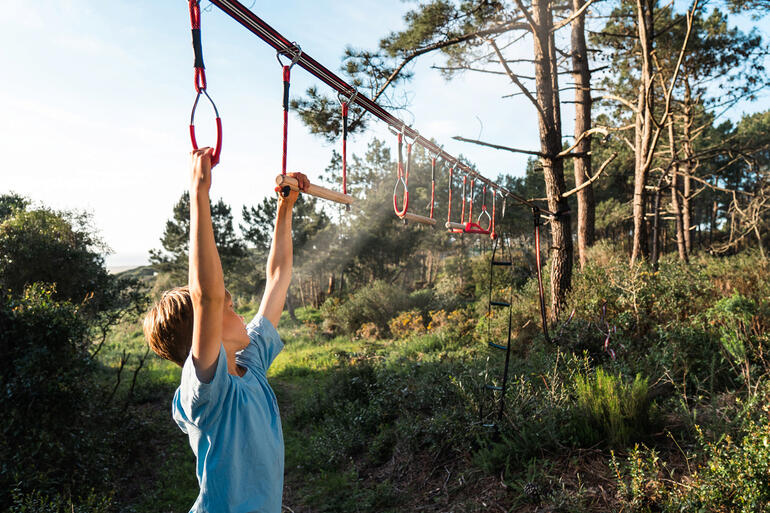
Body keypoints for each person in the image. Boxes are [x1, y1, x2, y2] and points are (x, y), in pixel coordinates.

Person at [143, 147, 309, 513]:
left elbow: (278, 278)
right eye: (228, 307)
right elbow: (206, 296)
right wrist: (199, 191)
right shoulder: (207, 391)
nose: (235, 309)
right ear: (204, 331)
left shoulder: (251, 362)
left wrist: (286, 206)